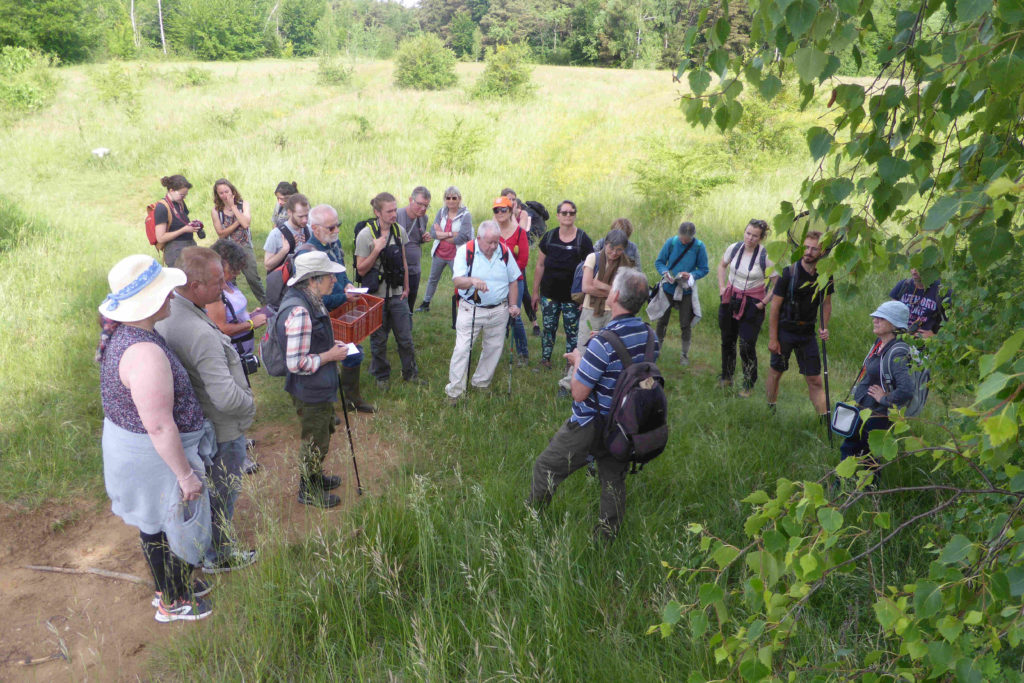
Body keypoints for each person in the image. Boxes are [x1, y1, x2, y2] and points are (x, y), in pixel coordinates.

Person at [98, 254, 213, 622]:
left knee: (155, 523)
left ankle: (169, 588)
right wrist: (185, 475)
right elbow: (160, 426)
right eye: (166, 291)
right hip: (155, 457)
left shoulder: (130, 334)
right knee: (172, 522)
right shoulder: (145, 353)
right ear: (151, 301)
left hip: (140, 452)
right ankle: (174, 601)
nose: (172, 296)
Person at [529, 268, 657, 541]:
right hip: (626, 423)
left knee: (546, 467)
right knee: (613, 482)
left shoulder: (602, 343)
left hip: (590, 423)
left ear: (616, 295)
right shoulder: (650, 337)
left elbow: (578, 393)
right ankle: (606, 539)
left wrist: (577, 361)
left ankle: (532, 521)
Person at [155, 247, 258, 575]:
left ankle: (204, 549)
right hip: (223, 428)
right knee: (222, 494)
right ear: (195, 285)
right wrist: (250, 403)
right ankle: (219, 555)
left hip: (200, 424)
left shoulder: (171, 311)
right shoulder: (200, 333)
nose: (225, 287)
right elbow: (226, 397)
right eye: (217, 281)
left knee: (211, 494)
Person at [276, 251, 353, 508]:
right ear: (312, 280)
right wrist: (330, 355)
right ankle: (307, 490)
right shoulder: (299, 311)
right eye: (329, 276)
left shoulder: (310, 298)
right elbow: (296, 363)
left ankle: (316, 478)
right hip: (309, 390)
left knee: (321, 433)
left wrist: (331, 346)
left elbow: (311, 344)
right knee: (314, 440)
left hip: (315, 386)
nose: (334, 280)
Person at [300, 203, 375, 413]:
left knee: (354, 352)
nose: (337, 231)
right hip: (321, 316)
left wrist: (348, 284)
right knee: (327, 360)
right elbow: (315, 299)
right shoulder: (307, 255)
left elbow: (340, 273)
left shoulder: (334, 243)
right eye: (331, 228)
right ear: (315, 229)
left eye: (337, 226)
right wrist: (344, 296)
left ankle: (352, 400)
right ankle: (327, 410)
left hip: (342, 308)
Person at [207, 239, 268, 474]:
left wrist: (248, 315)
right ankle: (237, 459)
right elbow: (220, 327)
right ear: (223, 264)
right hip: (228, 356)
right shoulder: (215, 292)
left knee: (242, 399)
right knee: (232, 406)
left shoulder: (228, 285)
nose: (237, 273)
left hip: (241, 353)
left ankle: (240, 442)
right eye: (234, 268)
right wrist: (251, 323)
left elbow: (234, 314)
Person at [445, 221, 522, 403]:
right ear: (478, 238)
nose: (494, 246)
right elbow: (457, 281)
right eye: (490, 243)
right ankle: (454, 392)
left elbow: (513, 280)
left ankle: (481, 383)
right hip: (471, 308)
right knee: (463, 349)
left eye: (496, 242)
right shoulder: (466, 251)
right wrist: (472, 281)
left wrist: (513, 305)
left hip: (499, 310)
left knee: (493, 348)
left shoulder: (504, 252)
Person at [354, 192, 422, 388]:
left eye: (395, 209)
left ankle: (410, 374)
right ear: (377, 212)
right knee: (379, 339)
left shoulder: (399, 230)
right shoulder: (366, 235)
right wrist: (376, 249)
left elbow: (403, 261)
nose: (394, 214)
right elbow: (361, 269)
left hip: (398, 293)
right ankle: (381, 376)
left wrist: (407, 287)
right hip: (376, 297)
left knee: (406, 337)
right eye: (389, 211)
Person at [839, 301, 915, 473]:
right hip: (864, 410)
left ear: (894, 324)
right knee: (849, 449)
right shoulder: (880, 343)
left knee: (870, 459)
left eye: (881, 317)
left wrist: (884, 398)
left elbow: (906, 390)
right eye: (875, 316)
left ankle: (868, 493)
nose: (875, 319)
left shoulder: (898, 352)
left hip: (878, 415)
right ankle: (841, 487)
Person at [766, 231, 833, 418]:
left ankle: (824, 420)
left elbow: (826, 303)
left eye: (814, 248)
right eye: (806, 247)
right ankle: (770, 410)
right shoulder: (789, 272)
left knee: (815, 379)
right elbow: (775, 307)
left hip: (807, 333)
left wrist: (824, 327)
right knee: (776, 372)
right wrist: (773, 339)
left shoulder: (825, 275)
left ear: (822, 251)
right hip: (785, 331)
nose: (809, 252)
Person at [558, 229, 633, 395]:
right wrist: (613, 291)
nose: (614, 253)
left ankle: (601, 385)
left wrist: (599, 285)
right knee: (583, 347)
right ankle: (567, 384)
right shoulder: (593, 258)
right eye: (611, 249)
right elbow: (586, 287)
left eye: (619, 250)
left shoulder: (626, 264)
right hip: (591, 310)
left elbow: (625, 292)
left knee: (611, 349)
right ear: (605, 244)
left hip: (614, 312)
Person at [717, 219, 776, 397]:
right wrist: (722, 288)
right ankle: (726, 377)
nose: (750, 238)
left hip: (752, 303)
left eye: (755, 236)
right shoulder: (734, 248)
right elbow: (721, 265)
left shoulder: (766, 256)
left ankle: (748, 384)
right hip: (730, 298)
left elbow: (777, 284)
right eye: (748, 233)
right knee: (727, 340)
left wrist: (763, 302)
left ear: (761, 238)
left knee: (746, 345)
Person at [533, 200, 593, 369]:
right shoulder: (549, 237)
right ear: (558, 215)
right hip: (549, 294)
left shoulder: (583, 239)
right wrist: (535, 292)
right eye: (564, 213)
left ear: (575, 215)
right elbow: (540, 265)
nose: (568, 216)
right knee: (548, 329)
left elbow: (591, 268)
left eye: (571, 213)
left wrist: (586, 298)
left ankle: (570, 363)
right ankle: (545, 360)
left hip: (572, 297)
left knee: (572, 332)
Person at [654, 221, 709, 366]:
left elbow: (704, 268)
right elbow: (659, 262)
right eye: (682, 237)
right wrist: (665, 272)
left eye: (687, 239)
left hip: (686, 291)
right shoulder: (671, 243)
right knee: (662, 321)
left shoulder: (698, 247)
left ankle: (684, 354)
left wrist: (691, 275)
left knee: (685, 324)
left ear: (693, 236)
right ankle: (656, 350)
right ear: (678, 233)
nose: (684, 241)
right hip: (668, 289)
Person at [416, 186, 473, 313]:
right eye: (448, 198)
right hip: (439, 253)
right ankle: (425, 303)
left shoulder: (466, 215)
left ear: (459, 199)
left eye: (454, 198)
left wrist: (442, 234)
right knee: (432, 279)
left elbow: (462, 238)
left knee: (460, 281)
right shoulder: (441, 212)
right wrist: (450, 234)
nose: (451, 200)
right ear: (445, 199)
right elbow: (433, 233)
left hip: (456, 255)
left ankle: (465, 305)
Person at [211, 178, 266, 306]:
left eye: (227, 191)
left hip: (244, 245)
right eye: (221, 193)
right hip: (228, 248)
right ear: (217, 195)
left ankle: (265, 302)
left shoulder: (243, 204)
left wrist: (233, 207)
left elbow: (246, 224)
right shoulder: (216, 211)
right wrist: (237, 222)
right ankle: (234, 304)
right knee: (230, 278)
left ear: (232, 191)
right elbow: (221, 233)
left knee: (252, 276)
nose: (225, 195)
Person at [494, 196, 530, 364]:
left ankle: (523, 353)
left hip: (515, 280)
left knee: (514, 315)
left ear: (510, 212)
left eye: (503, 209)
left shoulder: (520, 232)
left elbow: (523, 260)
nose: (500, 213)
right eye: (496, 210)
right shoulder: (491, 231)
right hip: (495, 280)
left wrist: (508, 275)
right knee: (496, 314)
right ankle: (495, 350)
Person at [501, 188, 540, 335]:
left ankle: (534, 323)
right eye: (508, 199)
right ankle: (505, 326)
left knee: (523, 294)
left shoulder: (522, 213)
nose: (511, 202)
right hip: (503, 264)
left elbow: (520, 230)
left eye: (513, 199)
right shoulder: (499, 213)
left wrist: (511, 216)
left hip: (517, 262)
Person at [395, 186, 433, 311]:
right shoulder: (397, 216)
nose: (423, 209)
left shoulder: (423, 218)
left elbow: (415, 239)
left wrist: (424, 238)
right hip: (399, 269)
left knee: (410, 304)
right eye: (420, 204)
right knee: (397, 304)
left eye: (426, 206)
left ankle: (408, 326)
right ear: (411, 199)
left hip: (415, 269)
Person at [153, 175, 201, 268]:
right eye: (182, 195)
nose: (184, 198)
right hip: (175, 251)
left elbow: (181, 222)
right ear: (171, 190)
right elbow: (161, 238)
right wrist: (183, 230)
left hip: (190, 246)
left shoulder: (180, 203)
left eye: (185, 195)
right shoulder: (162, 208)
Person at [890, 268, 949, 338]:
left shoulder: (942, 290)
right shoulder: (903, 285)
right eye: (912, 267)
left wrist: (934, 337)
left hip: (926, 343)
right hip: (900, 339)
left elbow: (954, 322)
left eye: (918, 267)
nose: (914, 271)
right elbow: (890, 315)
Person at [263, 193, 311, 272]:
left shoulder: (309, 231)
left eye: (306, 215)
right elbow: (267, 266)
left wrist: (309, 246)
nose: (305, 220)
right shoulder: (276, 234)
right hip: (285, 282)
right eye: (300, 216)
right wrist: (284, 251)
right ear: (289, 212)